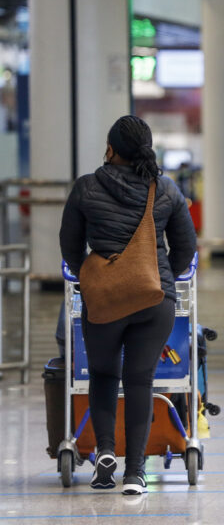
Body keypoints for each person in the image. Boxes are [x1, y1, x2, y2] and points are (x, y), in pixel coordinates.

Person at [59, 116, 197, 495]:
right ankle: (135, 472)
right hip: (155, 299)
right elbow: (185, 248)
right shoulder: (165, 189)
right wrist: (162, 276)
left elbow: (69, 246)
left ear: (110, 149)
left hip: (103, 298)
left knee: (103, 375)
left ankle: (105, 452)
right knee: (140, 380)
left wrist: (91, 275)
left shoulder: (86, 187)